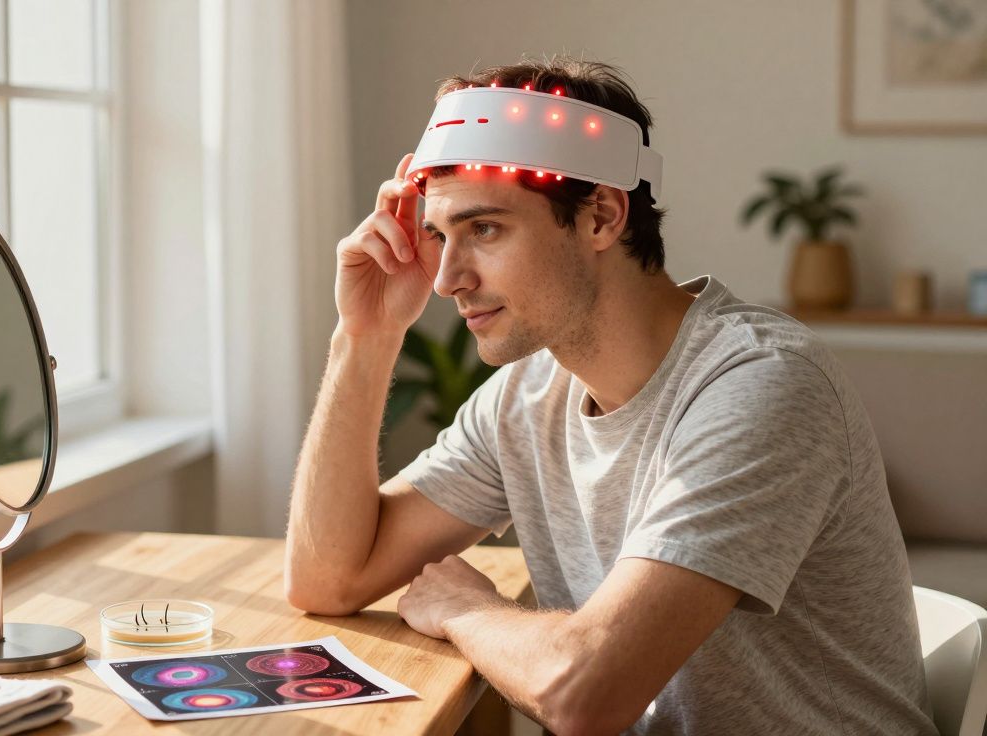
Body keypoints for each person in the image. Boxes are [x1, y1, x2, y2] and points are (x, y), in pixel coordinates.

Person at [283, 58, 936, 735]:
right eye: (439, 235)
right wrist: (365, 334)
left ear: (601, 216)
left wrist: (464, 608)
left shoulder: (761, 388)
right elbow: (329, 579)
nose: (447, 278)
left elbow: (584, 694)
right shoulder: (527, 398)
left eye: (484, 229)